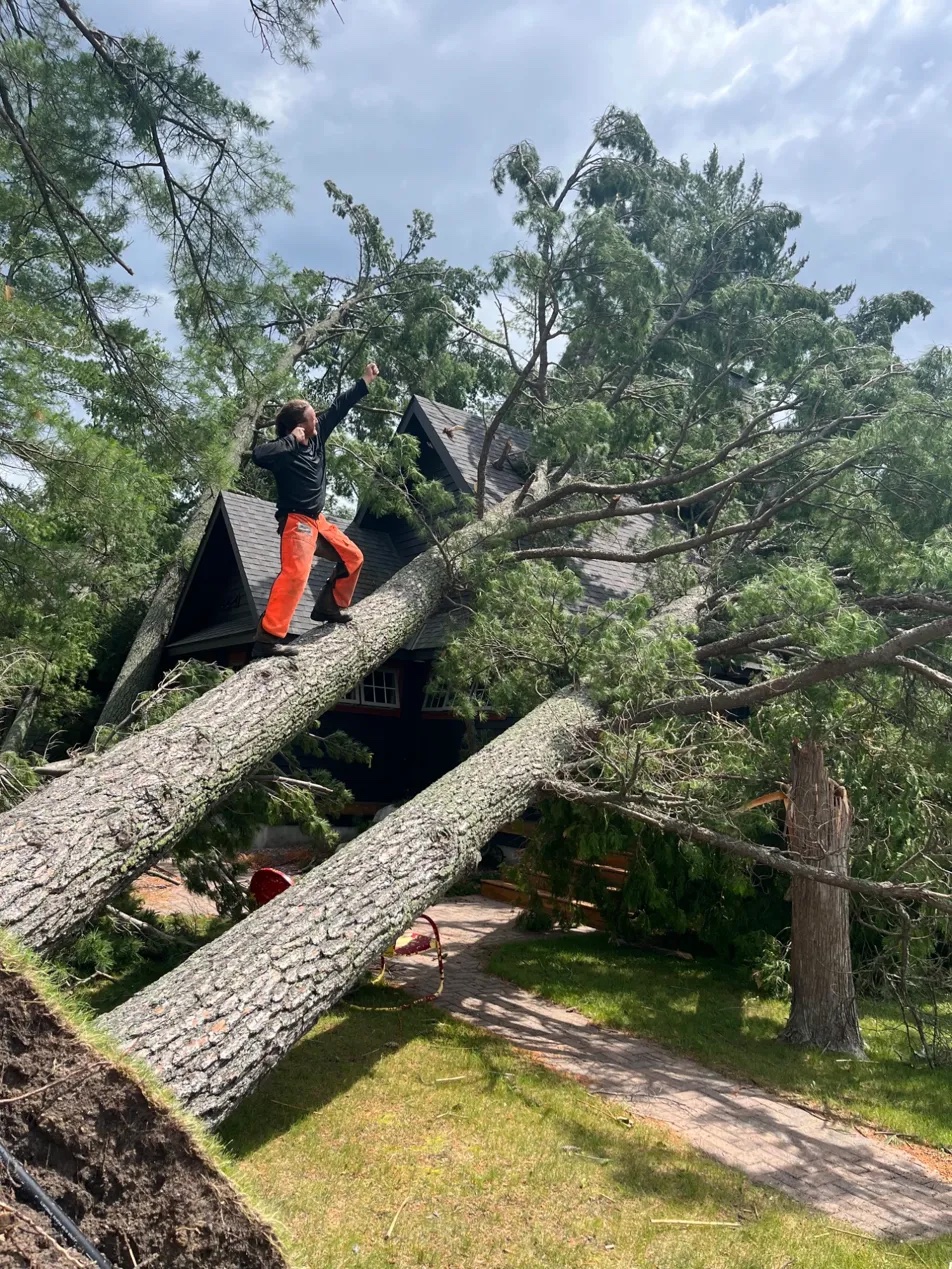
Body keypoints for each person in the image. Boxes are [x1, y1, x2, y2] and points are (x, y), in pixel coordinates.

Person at [250, 362, 379, 659]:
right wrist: (291, 440)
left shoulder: (318, 437)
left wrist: (364, 381)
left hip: (318, 520)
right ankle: (267, 640)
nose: (317, 421)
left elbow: (339, 407)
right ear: (299, 425)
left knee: (354, 558)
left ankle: (328, 606)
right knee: (296, 575)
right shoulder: (285, 450)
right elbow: (259, 456)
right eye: (312, 419)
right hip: (297, 522)